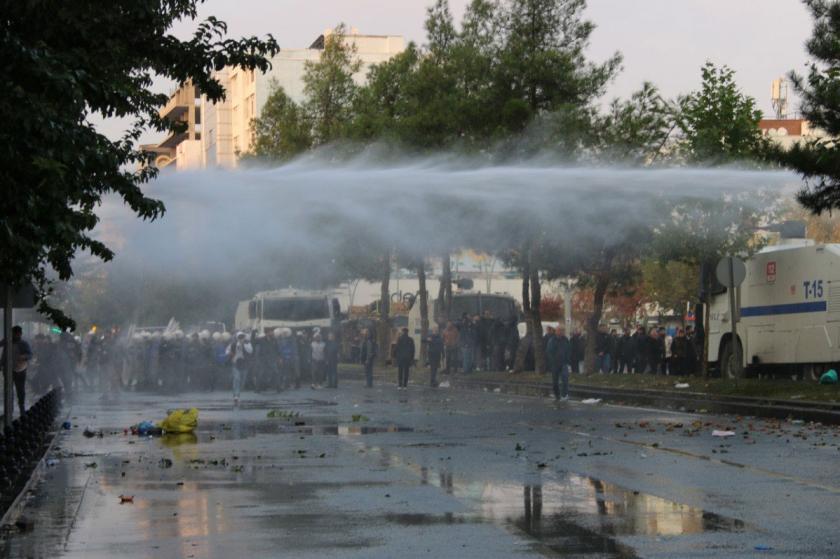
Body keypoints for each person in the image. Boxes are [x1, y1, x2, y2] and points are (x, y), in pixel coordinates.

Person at [1, 326, 33, 417]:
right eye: (13, 333)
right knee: (8, 390)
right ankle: (9, 410)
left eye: (16, 334)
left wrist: (24, 357)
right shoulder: (7, 342)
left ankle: (22, 410)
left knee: (20, 390)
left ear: (20, 334)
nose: (15, 335)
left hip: (20, 370)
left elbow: (30, 355)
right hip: (8, 369)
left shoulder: (23, 343)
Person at [226, 331, 252, 404]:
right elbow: (227, 351)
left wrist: (243, 345)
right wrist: (229, 353)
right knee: (237, 379)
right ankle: (236, 396)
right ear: (237, 338)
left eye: (242, 337)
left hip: (244, 364)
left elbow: (250, 351)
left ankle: (238, 394)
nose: (241, 338)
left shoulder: (247, 344)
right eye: (239, 337)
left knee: (242, 381)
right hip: (236, 363)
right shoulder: (233, 344)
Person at [547, 325, 571, 400]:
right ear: (556, 331)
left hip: (564, 363)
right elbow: (549, 352)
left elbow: (569, 350)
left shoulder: (565, 339)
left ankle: (564, 395)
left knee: (565, 379)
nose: (561, 332)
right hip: (555, 364)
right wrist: (552, 361)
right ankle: (557, 395)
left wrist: (568, 360)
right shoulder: (552, 340)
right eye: (559, 330)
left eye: (562, 330)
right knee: (555, 381)